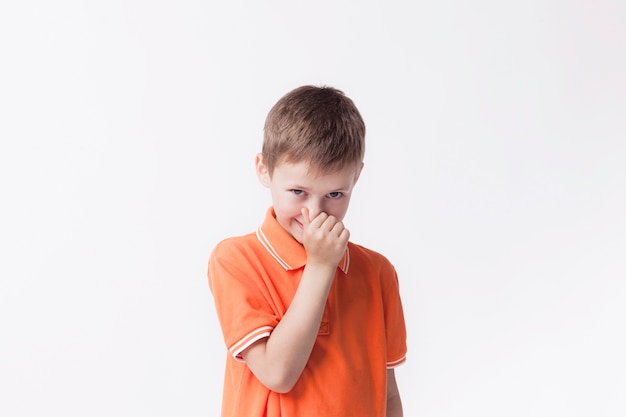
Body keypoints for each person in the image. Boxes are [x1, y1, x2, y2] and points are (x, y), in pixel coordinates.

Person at [208, 85, 407, 417]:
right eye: (298, 191)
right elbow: (277, 373)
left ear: (356, 177)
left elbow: (388, 396)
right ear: (264, 169)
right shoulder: (235, 260)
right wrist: (320, 266)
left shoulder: (377, 272)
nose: (314, 212)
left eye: (335, 195)